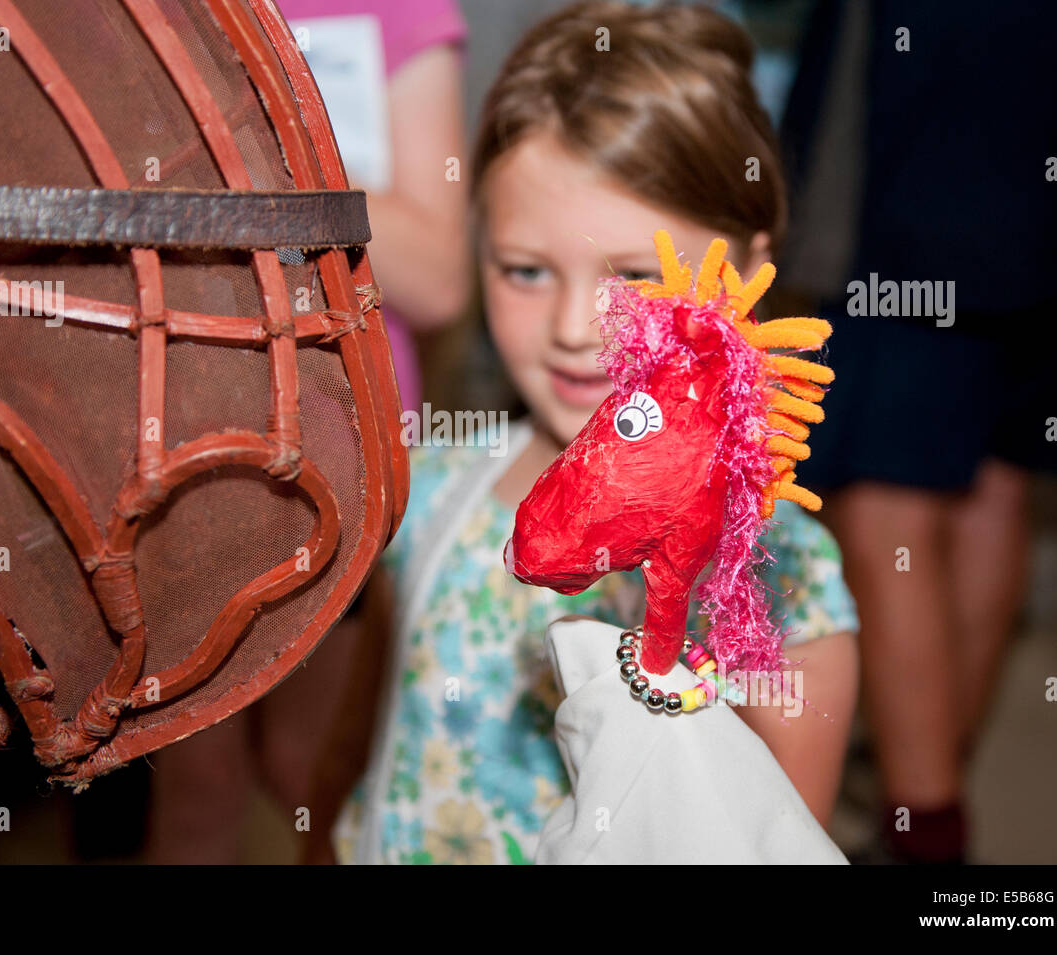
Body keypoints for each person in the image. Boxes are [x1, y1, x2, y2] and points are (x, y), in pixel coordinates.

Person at [332, 0, 860, 864]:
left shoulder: (778, 586)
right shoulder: (423, 486)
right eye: (526, 269)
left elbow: (771, 841)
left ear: (751, 274)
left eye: (636, 275)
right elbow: (365, 744)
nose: (578, 325)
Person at [143, 0, 471, 864]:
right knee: (195, 788)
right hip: (181, 449)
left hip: (348, 450)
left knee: (311, 774)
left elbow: (438, 278)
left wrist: (273, 145)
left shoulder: (400, 10)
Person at [779, 0, 1057, 864]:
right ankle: (923, 787)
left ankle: (925, 832)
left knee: (884, 496)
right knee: (991, 482)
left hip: (935, 159)